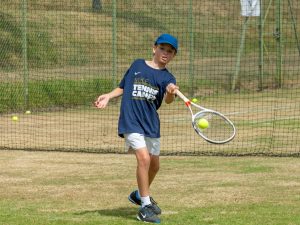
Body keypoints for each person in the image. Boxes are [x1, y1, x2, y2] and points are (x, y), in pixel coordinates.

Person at [94, 33, 179, 224]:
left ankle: (139, 194)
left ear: (173, 55)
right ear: (154, 48)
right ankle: (145, 207)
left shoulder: (168, 77)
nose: (165, 53)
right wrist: (108, 96)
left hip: (151, 124)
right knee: (143, 158)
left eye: (170, 51)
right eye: (162, 48)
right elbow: (124, 86)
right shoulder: (137, 65)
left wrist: (171, 91)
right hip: (131, 121)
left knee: (155, 165)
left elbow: (168, 100)